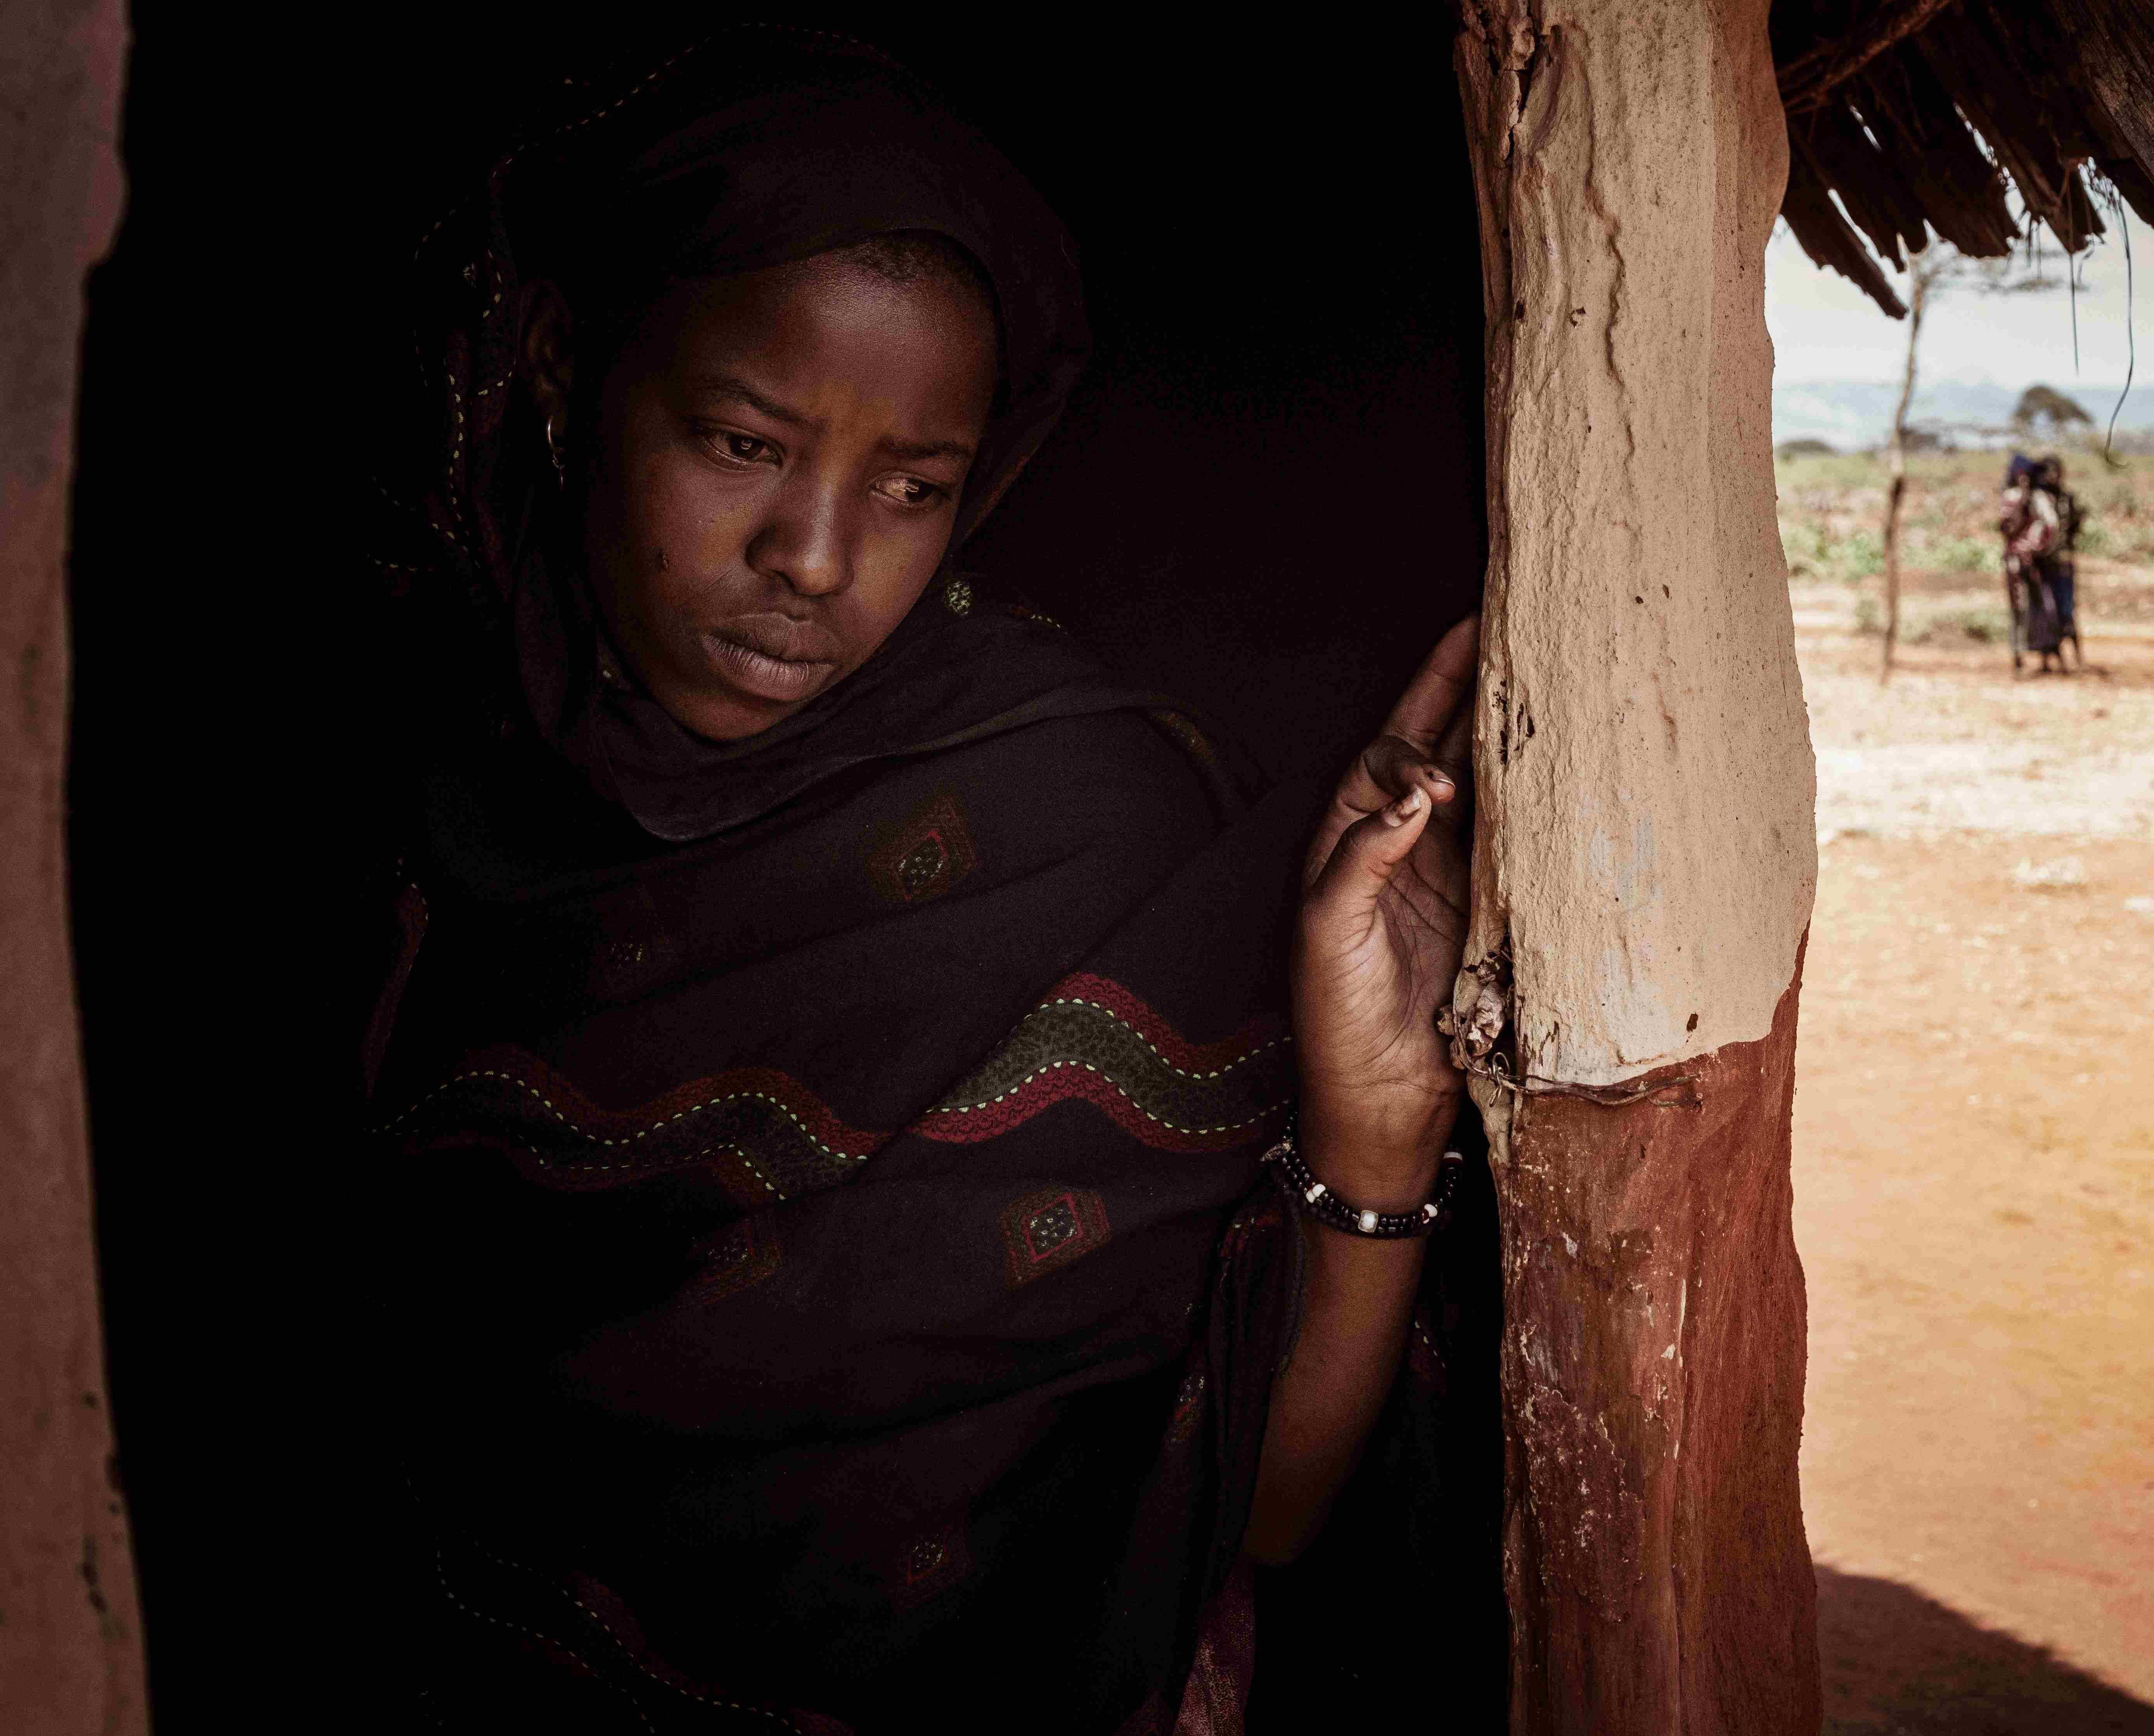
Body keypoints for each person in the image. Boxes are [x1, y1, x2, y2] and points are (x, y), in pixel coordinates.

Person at [363, 32, 1482, 1732]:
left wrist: (1378, 1130)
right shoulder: (413, 778)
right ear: (566, 372)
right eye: (739, 442)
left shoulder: (1091, 837)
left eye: (912, 489)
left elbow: (1253, 1508)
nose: (814, 560)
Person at [1999, 453, 2085, 675]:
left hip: (2042, 562)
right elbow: (2008, 528)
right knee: (2021, 610)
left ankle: (2055, 659)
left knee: (2050, 610)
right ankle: (2020, 660)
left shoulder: (2047, 499)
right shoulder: (2014, 499)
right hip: (2018, 563)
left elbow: (2053, 529)